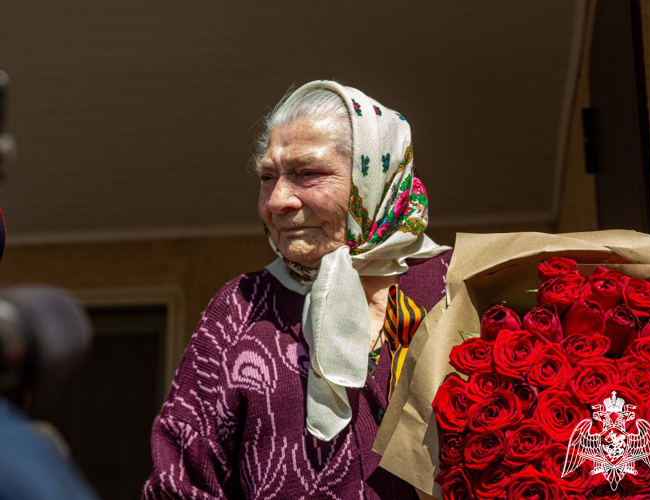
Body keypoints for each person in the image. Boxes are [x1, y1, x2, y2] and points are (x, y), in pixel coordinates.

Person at [142, 80, 453, 499]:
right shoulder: (240, 310)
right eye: (268, 177)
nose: (277, 201)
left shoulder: (457, 284)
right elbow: (180, 481)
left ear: (374, 173)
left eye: (307, 173)